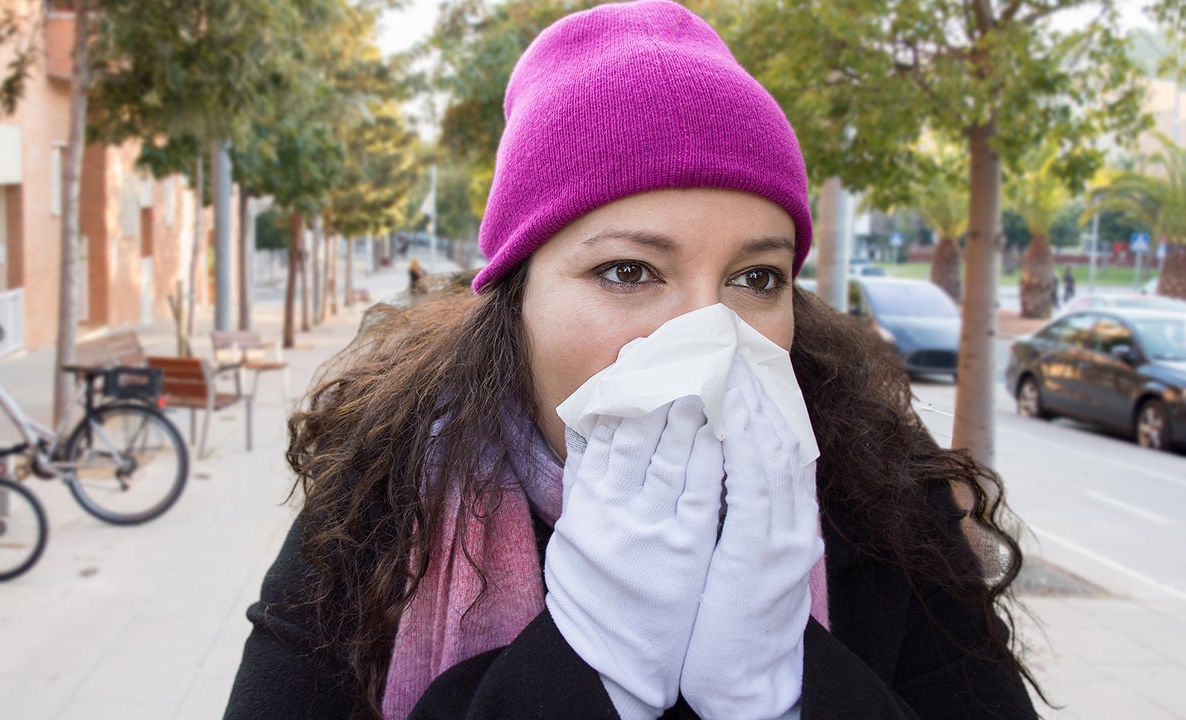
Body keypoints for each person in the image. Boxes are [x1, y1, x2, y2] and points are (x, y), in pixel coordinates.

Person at [225, 3, 1040, 719]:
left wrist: (781, 690)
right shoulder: (384, 495)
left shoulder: (883, 501)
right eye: (629, 271)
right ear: (517, 299)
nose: (705, 338)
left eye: (754, 279)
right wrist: (585, 664)